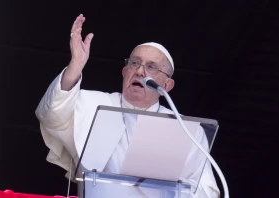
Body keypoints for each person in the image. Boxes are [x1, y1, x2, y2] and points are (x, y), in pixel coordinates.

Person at [35, 14, 220, 198]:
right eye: (135, 63)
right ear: (125, 72)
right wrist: (76, 65)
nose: (140, 71)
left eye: (151, 67)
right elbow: (52, 114)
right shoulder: (95, 104)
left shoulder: (185, 130)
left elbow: (206, 190)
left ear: (167, 85)